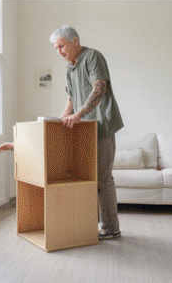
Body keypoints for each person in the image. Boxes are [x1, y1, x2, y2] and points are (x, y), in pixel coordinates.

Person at [50, 25, 124, 240]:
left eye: (61, 46)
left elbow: (99, 88)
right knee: (87, 178)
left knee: (103, 179)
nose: (59, 51)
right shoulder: (69, 68)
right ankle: (88, 225)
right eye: (56, 48)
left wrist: (79, 114)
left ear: (75, 41)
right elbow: (72, 98)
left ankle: (111, 228)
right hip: (83, 129)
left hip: (101, 125)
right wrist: (59, 119)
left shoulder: (92, 57)